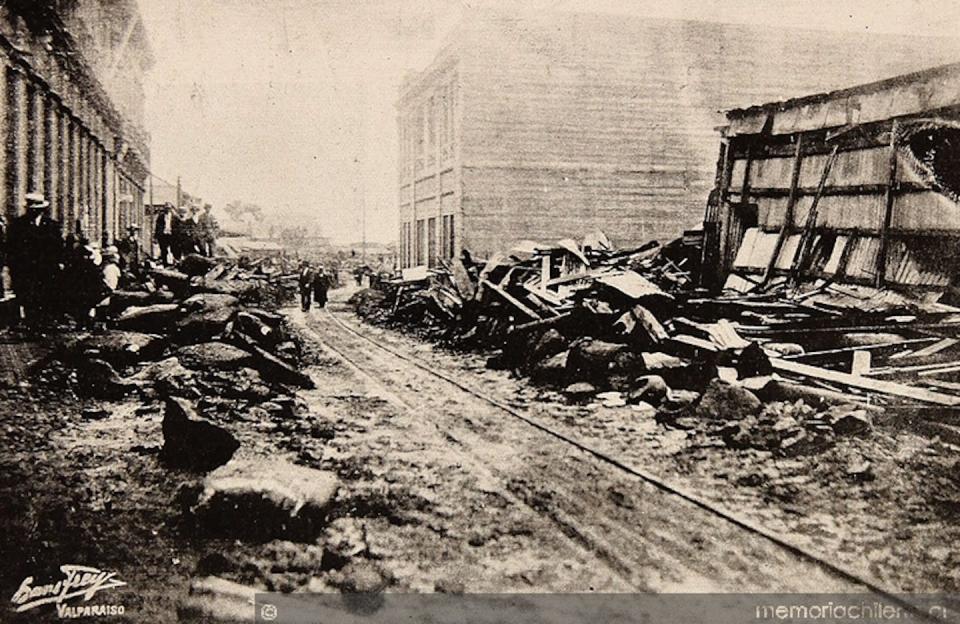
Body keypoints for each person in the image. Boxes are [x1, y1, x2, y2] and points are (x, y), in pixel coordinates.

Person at [6, 192, 64, 324]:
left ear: (42, 210)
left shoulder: (52, 226)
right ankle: (32, 324)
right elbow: (11, 248)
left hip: (47, 270)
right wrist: (13, 268)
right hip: (25, 270)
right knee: (28, 297)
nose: (34, 211)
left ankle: (43, 322)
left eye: (37, 209)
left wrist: (58, 263)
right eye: (31, 209)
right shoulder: (17, 225)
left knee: (45, 296)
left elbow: (59, 247)